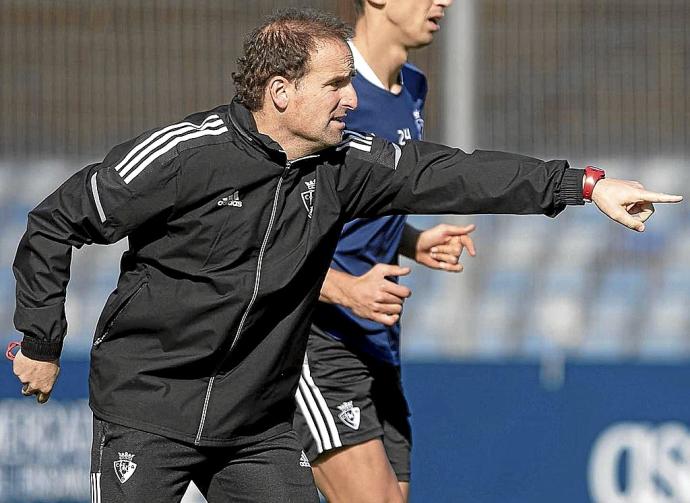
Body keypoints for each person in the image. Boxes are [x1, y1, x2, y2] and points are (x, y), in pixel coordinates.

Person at [10, 7, 681, 503]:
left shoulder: (343, 163)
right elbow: (57, 220)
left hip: (255, 425)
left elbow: (456, 173)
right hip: (147, 410)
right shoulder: (185, 155)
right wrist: (41, 337)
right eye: (334, 86)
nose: (352, 99)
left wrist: (585, 184)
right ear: (280, 91)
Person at [291, 1, 467, 502]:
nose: (443, 2)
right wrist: (345, 289)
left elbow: (356, 198)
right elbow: (263, 228)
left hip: (378, 341)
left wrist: (411, 238)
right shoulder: (322, 89)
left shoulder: (413, 87)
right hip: (316, 336)